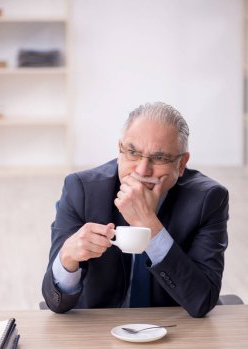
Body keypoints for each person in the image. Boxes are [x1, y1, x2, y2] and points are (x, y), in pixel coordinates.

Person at [42, 102, 229, 317]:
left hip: (172, 329)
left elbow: (202, 300)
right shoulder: (82, 189)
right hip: (98, 331)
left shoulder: (209, 199)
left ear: (181, 163)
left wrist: (149, 224)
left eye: (159, 158)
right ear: (120, 148)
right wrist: (67, 258)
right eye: (132, 152)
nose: (142, 170)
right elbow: (55, 302)